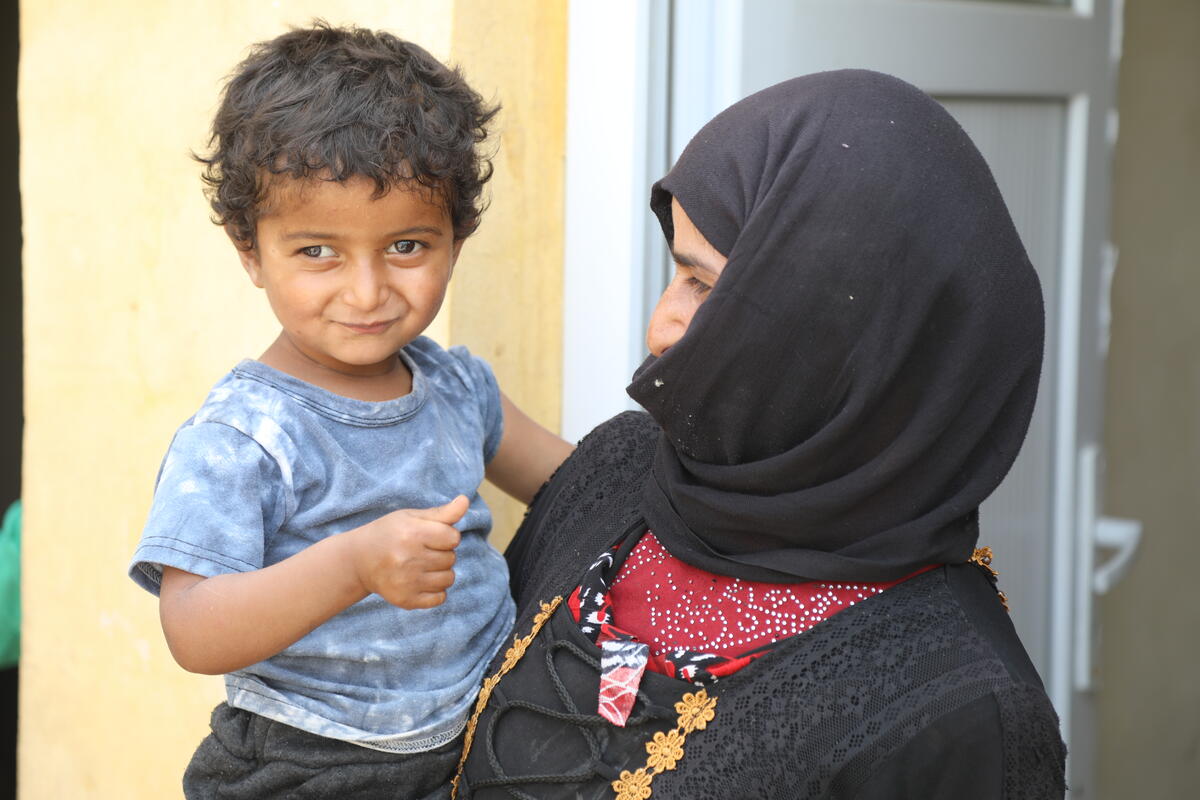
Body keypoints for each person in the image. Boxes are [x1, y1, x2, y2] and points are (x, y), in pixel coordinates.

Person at [453, 70, 1066, 798]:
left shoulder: (956, 713)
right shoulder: (622, 474)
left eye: (704, 285)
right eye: (677, 274)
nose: (660, 328)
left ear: (834, 329)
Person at [127, 23, 572, 800]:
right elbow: (192, 628)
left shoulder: (456, 387)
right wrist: (353, 565)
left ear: (457, 239)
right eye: (317, 252)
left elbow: (576, 481)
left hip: (478, 738)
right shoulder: (244, 436)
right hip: (313, 763)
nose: (367, 293)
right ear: (249, 250)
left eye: (406, 247)